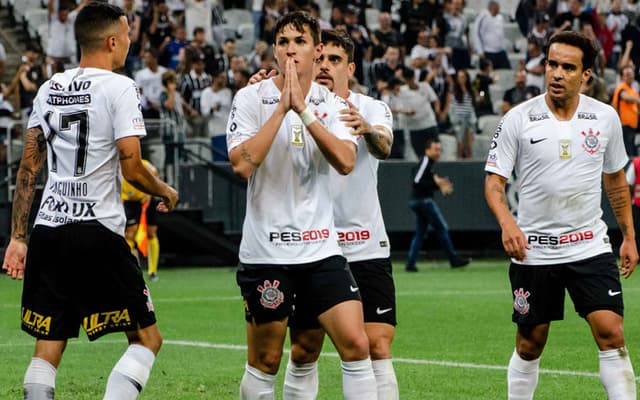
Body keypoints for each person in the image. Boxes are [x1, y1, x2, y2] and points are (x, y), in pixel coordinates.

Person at [1, 3, 179, 400]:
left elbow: (28, 170)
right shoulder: (121, 88)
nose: (130, 43)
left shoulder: (50, 87)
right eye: (128, 35)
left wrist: (18, 237)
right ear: (113, 41)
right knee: (146, 339)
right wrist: (164, 190)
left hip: (48, 231)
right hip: (97, 231)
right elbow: (132, 167)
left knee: (48, 346)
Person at [226, 11, 377, 400]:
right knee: (267, 360)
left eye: (300, 41)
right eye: (283, 42)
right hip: (267, 252)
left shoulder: (331, 102)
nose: (291, 49)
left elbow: (345, 161)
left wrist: (304, 110)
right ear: (274, 50)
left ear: (317, 50)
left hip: (321, 250)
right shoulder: (249, 98)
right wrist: (282, 108)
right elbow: (242, 164)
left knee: (356, 344)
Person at [484, 31, 637, 399]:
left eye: (568, 67)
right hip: (534, 250)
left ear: (585, 75)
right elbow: (494, 184)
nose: (556, 73)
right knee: (529, 343)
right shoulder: (518, 119)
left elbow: (616, 181)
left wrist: (629, 236)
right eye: (552, 64)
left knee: (611, 333)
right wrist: (508, 225)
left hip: (589, 245)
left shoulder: (605, 117)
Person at [253, 29, 399, 399]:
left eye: (334, 60)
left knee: (376, 346)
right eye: (319, 59)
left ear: (349, 67)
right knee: (304, 350)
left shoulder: (371, 108)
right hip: (313, 248)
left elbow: (384, 147)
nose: (324, 66)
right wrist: (266, 87)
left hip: (365, 245)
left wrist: (366, 131)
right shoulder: (293, 103)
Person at [406, 136, 471, 271]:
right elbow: (417, 181)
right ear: (427, 150)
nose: (438, 152)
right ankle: (453, 259)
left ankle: (410, 264)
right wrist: (436, 184)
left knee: (420, 233)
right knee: (442, 229)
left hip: (418, 201)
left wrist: (437, 183)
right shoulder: (425, 161)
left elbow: (419, 176)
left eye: (440, 150)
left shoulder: (427, 164)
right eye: (435, 149)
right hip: (423, 201)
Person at [121, 159, 163, 282]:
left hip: (146, 202)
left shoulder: (143, 164)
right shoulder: (117, 165)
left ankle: (153, 271)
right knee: (130, 235)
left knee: (152, 233)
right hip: (130, 202)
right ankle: (133, 269)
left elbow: (154, 173)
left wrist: (149, 195)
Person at [612, 65, 640, 156]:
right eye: (627, 74)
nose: (630, 76)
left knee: (632, 151)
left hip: (632, 126)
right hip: (624, 125)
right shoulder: (621, 87)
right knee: (628, 153)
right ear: (622, 77)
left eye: (631, 74)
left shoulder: (633, 90)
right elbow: (627, 97)